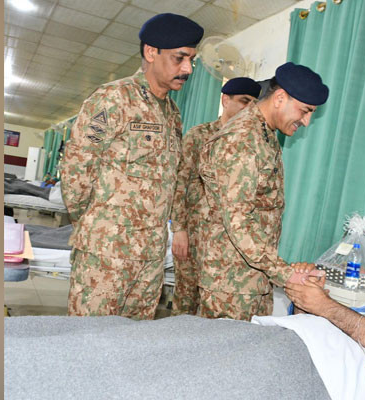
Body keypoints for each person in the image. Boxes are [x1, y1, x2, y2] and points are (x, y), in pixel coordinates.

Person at [59, 13, 204, 320]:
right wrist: (94, 225)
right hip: (107, 253)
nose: (188, 69)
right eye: (180, 58)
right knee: (88, 338)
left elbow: (170, 179)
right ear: (151, 52)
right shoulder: (113, 98)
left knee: (134, 340)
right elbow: (76, 168)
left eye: (191, 60)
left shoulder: (172, 113)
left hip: (150, 257)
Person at [197, 62, 330, 321]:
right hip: (231, 284)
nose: (306, 121)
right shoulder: (242, 139)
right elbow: (239, 222)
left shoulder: (264, 134)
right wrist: (286, 273)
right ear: (279, 98)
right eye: (305, 111)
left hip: (252, 277)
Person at [170, 77, 262, 315]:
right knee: (186, 300)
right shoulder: (200, 135)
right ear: (225, 100)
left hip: (228, 241)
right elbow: (180, 181)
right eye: (243, 101)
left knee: (216, 307)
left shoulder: (253, 142)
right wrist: (179, 229)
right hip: (195, 234)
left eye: (253, 103)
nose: (248, 108)